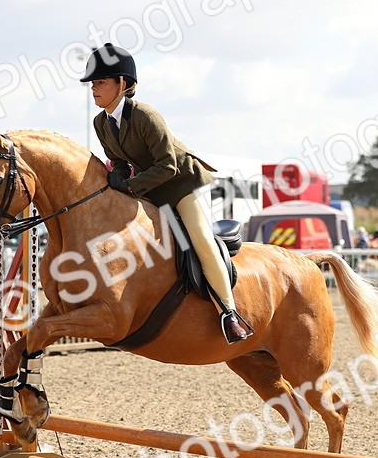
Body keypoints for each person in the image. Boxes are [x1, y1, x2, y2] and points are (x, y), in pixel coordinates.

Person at [80, 43, 254, 344]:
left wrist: (131, 186)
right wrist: (117, 181)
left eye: (101, 82)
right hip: (150, 187)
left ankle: (229, 313)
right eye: (93, 84)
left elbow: (168, 166)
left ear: (123, 84)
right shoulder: (101, 123)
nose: (94, 89)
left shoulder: (145, 115)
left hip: (179, 184)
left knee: (201, 241)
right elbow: (119, 162)